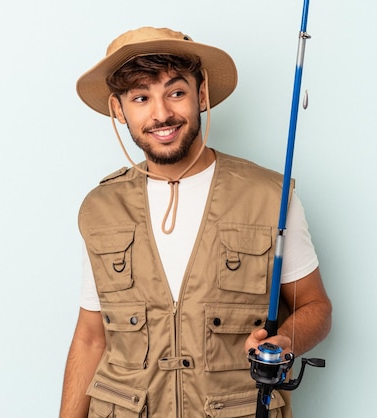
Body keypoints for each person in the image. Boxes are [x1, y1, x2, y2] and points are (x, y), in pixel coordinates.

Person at [60, 26, 331, 418]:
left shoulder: (269, 196)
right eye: (140, 97)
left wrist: (284, 341)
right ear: (118, 109)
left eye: (176, 92)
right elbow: (90, 338)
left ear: (201, 95)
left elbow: (315, 305)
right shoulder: (101, 208)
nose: (161, 114)